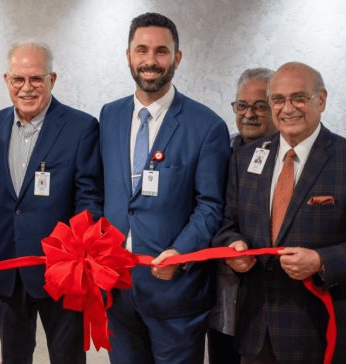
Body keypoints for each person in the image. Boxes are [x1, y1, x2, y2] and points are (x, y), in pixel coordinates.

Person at [213, 62, 346, 363]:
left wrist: (322, 261)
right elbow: (227, 224)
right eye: (278, 99)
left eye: (299, 97)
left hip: (324, 335)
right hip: (257, 333)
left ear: (321, 100)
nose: (288, 108)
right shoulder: (243, 159)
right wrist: (233, 247)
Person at [99, 13, 231, 364]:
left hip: (175, 293)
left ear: (177, 58)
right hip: (117, 288)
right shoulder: (109, 116)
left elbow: (210, 206)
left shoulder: (206, 126)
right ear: (128, 55)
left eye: (161, 51)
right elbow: (107, 194)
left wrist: (180, 254)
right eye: (142, 50)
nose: (151, 61)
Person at [0, 41, 103, 364]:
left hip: (61, 273)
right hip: (8, 269)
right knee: (13, 357)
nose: (27, 88)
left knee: (67, 358)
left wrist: (75, 257)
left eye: (36, 79)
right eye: (18, 79)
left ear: (53, 79)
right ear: (7, 80)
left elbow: (89, 199)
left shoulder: (81, 127)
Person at [208, 67, 275, 364]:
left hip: (271, 303)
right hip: (221, 297)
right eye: (242, 105)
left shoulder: (293, 160)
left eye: (260, 106)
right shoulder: (219, 150)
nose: (250, 114)